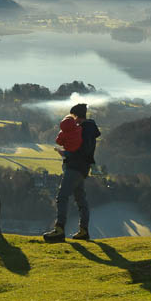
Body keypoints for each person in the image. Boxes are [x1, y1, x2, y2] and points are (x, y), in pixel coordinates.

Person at [43, 103, 101, 242]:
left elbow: (81, 152)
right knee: (80, 199)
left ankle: (59, 229)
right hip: (82, 169)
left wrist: (65, 153)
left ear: (77, 116)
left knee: (62, 196)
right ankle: (83, 231)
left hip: (75, 167)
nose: (73, 121)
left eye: (73, 117)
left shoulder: (84, 129)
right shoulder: (89, 129)